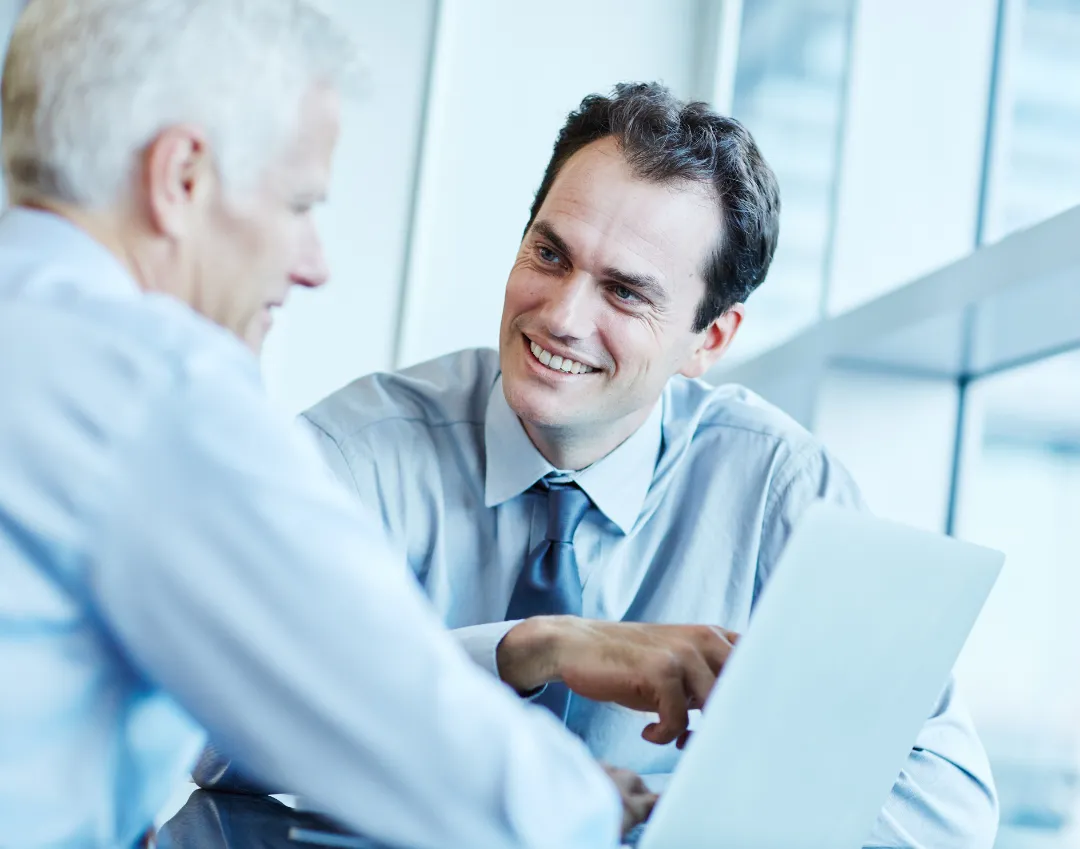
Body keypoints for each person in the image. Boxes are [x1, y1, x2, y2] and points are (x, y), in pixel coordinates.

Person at [0, 3, 673, 847]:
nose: (313, 263)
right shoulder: (153, 386)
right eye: (298, 203)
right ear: (180, 180)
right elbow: (389, 720)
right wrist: (603, 806)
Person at [290, 83, 999, 848]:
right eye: (549, 253)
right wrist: (523, 649)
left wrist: (660, 814)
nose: (561, 317)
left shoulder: (780, 489)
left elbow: (947, 803)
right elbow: (210, 722)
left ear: (710, 341)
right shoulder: (354, 453)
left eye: (625, 293)